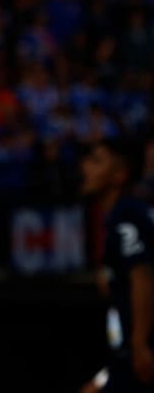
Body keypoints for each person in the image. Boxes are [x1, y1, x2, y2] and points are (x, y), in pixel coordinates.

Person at [79, 138, 154, 393]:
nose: (85, 167)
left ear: (119, 175)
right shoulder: (115, 218)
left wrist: (140, 343)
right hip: (123, 356)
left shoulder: (127, 214)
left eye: (97, 161)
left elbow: (141, 276)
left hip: (141, 354)